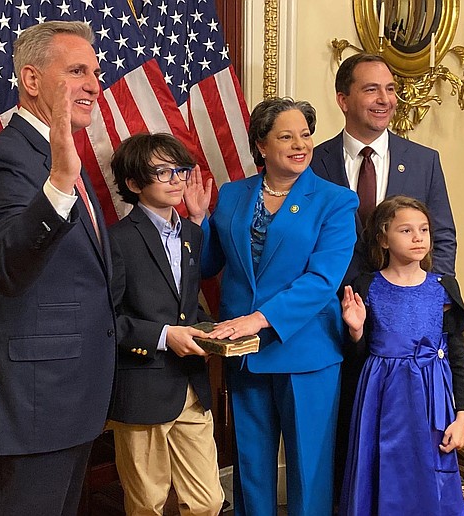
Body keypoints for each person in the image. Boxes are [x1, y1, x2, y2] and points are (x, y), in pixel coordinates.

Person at [0, 21, 116, 515]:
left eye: (95, 71)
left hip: (67, 404)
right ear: (30, 79)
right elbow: (2, 266)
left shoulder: (57, 158)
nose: (95, 84)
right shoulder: (4, 162)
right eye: (76, 71)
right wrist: (59, 186)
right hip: (30, 411)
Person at [185, 97, 358, 516]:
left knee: (309, 467)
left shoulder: (336, 201)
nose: (300, 144)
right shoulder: (232, 195)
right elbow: (209, 266)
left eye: (305, 134)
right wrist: (197, 222)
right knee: (251, 467)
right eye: (286, 136)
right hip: (244, 354)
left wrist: (259, 319)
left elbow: (322, 281)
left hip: (306, 349)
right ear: (261, 145)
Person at [309, 53, 458, 502]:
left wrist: (429, 296)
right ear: (343, 98)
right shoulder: (314, 162)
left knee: (412, 441)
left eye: (390, 89)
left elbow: (443, 235)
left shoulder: (423, 159)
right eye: (372, 89)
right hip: (337, 322)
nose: (385, 99)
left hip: (409, 327)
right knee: (344, 435)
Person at [106, 133, 224, 516]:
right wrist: (162, 336)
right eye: (163, 172)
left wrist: (216, 330)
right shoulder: (116, 241)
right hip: (141, 387)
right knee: (147, 505)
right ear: (134, 184)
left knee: (208, 502)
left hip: (191, 384)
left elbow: (186, 309)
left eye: (181, 169)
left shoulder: (193, 232)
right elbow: (105, 321)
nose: (176, 179)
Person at [339, 196, 464, 515]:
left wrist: (463, 416)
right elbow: (356, 358)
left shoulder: (443, 287)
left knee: (431, 465)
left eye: (424, 230)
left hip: (432, 397)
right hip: (381, 396)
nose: (417, 237)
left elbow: (457, 354)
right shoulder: (366, 286)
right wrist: (356, 331)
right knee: (382, 466)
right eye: (406, 230)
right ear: (383, 238)